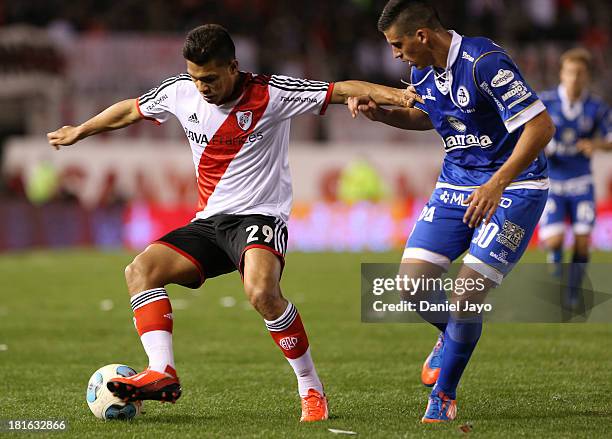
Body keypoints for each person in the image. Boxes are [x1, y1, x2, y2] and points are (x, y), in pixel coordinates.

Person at [47, 24, 407, 422]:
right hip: (210, 223)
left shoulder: (271, 93)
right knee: (141, 270)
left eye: (211, 78)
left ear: (234, 66)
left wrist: (402, 95)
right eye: (196, 77)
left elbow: (342, 90)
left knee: (261, 294)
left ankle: (310, 387)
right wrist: (80, 130)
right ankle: (162, 371)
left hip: (259, 216)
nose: (202, 87)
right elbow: (130, 110)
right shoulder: (179, 91)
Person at [348, 0, 555, 423]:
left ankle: (443, 396)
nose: (396, 55)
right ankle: (451, 336)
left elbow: (541, 127)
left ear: (422, 36)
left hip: (514, 186)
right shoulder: (422, 70)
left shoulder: (485, 62)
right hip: (455, 184)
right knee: (411, 288)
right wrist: (383, 116)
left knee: (465, 297)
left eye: (398, 44)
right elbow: (430, 117)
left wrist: (496, 183)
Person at [538, 48, 611, 308]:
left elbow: (610, 139)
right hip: (553, 182)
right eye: (570, 72)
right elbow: (527, 132)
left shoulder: (596, 108)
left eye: (580, 73)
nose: (574, 78)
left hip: (582, 181)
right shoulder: (545, 101)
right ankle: (554, 255)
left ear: (587, 76)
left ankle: (572, 293)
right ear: (562, 73)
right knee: (556, 240)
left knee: (582, 243)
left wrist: (597, 145)